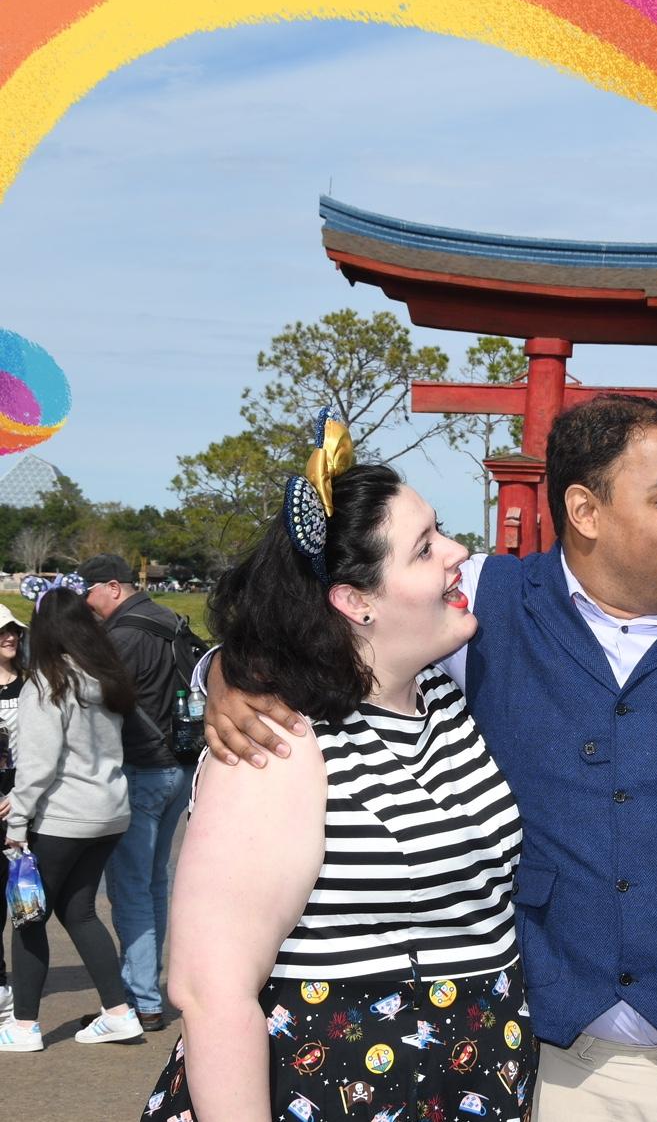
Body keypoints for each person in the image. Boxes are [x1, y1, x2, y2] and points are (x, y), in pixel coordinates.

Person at [207, 396, 657, 1122]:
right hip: (556, 1071)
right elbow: (336, 618)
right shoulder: (477, 607)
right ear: (585, 510)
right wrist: (230, 671)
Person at [143, 422, 533, 1119]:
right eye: (425, 548)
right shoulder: (279, 739)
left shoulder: (441, 695)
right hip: (328, 1090)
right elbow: (211, 989)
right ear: (356, 601)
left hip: (468, 1084)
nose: (458, 554)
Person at [0, 579, 139, 1052]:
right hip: (110, 812)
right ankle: (118, 1013)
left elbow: (38, 765)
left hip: (63, 817)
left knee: (28, 917)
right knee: (79, 912)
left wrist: (17, 822)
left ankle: (23, 1026)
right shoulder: (106, 677)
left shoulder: (48, 682)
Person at [79, 553, 193, 1032]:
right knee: (154, 882)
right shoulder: (170, 621)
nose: (87, 603)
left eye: (88, 592)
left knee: (130, 887)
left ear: (112, 587)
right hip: (180, 766)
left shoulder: (122, 636)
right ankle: (147, 990)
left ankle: (140, 999)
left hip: (141, 769)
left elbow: (96, 704)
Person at [0, 601, 29, 1019]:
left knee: (26, 904)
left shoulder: (32, 685)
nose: (10, 636)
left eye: (15, 631)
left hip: (21, 807)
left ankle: (23, 990)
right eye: (2, 631)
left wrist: (22, 799)